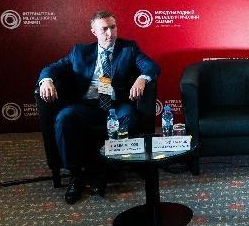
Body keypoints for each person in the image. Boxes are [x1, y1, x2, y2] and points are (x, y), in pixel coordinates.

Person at [37, 11, 160, 204]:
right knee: (64, 118)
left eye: (113, 27)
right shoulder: (80, 51)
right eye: (104, 29)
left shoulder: (128, 48)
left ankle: (110, 167)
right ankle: (76, 175)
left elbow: (151, 66)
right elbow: (52, 67)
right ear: (94, 32)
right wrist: (46, 80)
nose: (110, 33)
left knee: (129, 117)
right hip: (88, 106)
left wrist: (142, 78)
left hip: (116, 106)